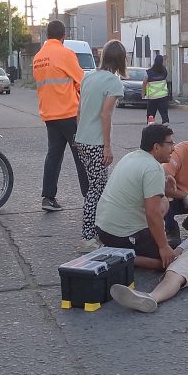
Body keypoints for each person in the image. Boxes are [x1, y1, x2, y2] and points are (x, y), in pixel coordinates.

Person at [94, 124, 177, 270]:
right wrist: (163, 247)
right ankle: (118, 256)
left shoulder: (131, 156)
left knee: (164, 201)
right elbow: (153, 213)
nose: (174, 148)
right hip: (121, 235)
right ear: (156, 147)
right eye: (170, 143)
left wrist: (167, 192)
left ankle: (116, 248)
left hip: (103, 229)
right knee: (169, 262)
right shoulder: (153, 168)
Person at [74, 39, 127, 253]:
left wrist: (81, 134)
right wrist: (107, 146)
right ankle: (88, 237)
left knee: (96, 187)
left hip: (82, 139)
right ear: (121, 59)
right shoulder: (114, 83)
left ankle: (95, 232)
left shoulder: (88, 77)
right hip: (96, 143)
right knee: (96, 189)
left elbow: (79, 111)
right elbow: (106, 115)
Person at [33, 20, 89, 212]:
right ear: (63, 36)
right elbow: (81, 80)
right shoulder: (65, 54)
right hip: (69, 114)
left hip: (49, 114)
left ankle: (48, 198)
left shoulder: (38, 57)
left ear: (47, 35)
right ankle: (90, 197)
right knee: (81, 156)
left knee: (54, 156)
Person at [144, 54, 170, 124]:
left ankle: (150, 127)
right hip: (162, 97)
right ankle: (165, 127)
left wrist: (143, 93)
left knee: (151, 114)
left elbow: (144, 82)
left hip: (152, 97)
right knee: (164, 114)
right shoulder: (164, 71)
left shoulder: (149, 72)